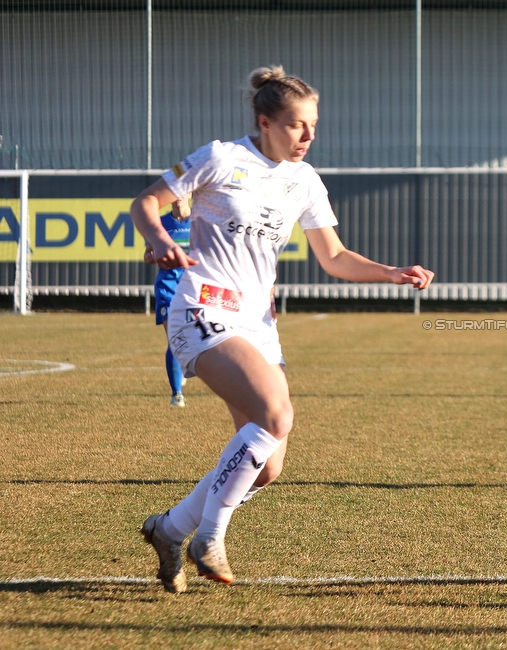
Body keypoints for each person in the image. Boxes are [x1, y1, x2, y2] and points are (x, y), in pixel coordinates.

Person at [131, 65, 435, 594]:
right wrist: (158, 238)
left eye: (314, 124)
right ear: (265, 121)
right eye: (297, 125)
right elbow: (145, 203)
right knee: (276, 414)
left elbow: (334, 256)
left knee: (267, 464)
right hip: (203, 308)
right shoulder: (221, 158)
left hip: (259, 325)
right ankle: (210, 535)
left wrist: (391, 272)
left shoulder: (304, 180)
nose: (309, 135)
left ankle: (169, 529)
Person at [144, 193, 192, 407]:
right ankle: (177, 394)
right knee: (175, 338)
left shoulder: (202, 221)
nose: (179, 196)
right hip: (168, 288)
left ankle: (183, 365)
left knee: (193, 340)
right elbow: (148, 254)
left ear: (190, 193)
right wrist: (152, 256)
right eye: (175, 191)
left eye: (184, 191)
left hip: (195, 290)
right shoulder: (161, 223)